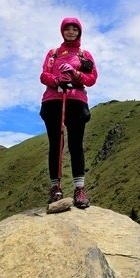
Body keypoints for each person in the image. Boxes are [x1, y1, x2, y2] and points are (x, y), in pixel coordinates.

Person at [39, 17, 98, 209]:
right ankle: (55, 188)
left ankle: (79, 189)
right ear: (62, 31)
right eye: (68, 29)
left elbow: (92, 78)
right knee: (56, 144)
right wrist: (57, 80)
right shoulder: (53, 53)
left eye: (75, 29)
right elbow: (43, 75)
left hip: (76, 101)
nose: (71, 32)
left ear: (79, 32)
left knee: (75, 144)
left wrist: (75, 74)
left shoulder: (84, 54)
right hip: (53, 101)